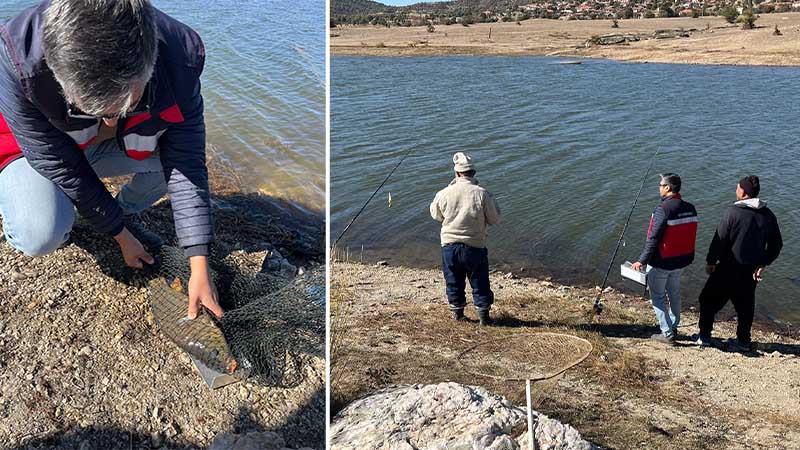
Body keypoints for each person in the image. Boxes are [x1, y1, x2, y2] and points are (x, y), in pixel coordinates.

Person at [0, 0, 223, 319]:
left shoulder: (180, 58)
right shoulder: (16, 59)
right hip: (37, 150)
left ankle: (121, 209)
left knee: (167, 166)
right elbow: (57, 162)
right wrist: (120, 235)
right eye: (93, 110)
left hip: (94, 146)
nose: (110, 120)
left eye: (123, 108)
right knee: (39, 233)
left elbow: (186, 159)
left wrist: (198, 261)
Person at [694, 176, 782, 351]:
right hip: (750, 271)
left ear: (743, 192)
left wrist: (711, 261)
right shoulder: (767, 214)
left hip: (728, 268)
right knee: (745, 307)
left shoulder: (732, 213)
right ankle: (743, 341)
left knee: (707, 300)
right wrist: (762, 263)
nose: (736, 189)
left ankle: (704, 336)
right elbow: (776, 245)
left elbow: (719, 240)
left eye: (737, 187)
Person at [429, 152, 501, 326]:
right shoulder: (482, 194)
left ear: (457, 173)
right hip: (475, 246)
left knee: (453, 280)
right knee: (479, 281)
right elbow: (494, 219)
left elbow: (435, 215)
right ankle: (484, 317)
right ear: (473, 172)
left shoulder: (444, 193)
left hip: (449, 246)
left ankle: (458, 314)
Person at [631, 173, 698, 344]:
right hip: (681, 260)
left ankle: (667, 333)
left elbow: (653, 238)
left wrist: (642, 261)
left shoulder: (663, 209)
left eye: (661, 185)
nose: (659, 187)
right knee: (674, 292)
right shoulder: (690, 208)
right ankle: (673, 324)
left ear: (668, 188)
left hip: (663, 262)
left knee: (658, 296)